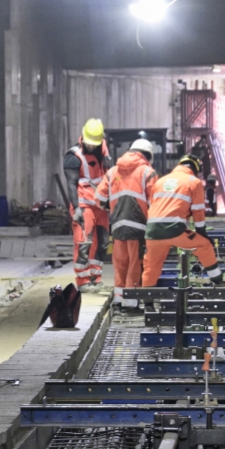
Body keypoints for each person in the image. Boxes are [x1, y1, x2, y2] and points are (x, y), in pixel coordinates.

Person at [142, 154, 225, 287]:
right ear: (195, 169)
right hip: (175, 229)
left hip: (152, 232)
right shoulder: (193, 182)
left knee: (151, 268)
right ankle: (217, 280)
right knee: (204, 245)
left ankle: (147, 302)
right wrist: (202, 233)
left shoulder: (160, 181)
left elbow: (152, 206)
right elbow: (198, 212)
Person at [96, 138, 157, 307]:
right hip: (139, 226)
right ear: (148, 155)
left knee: (120, 262)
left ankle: (118, 297)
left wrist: (115, 208)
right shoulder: (147, 172)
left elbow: (99, 199)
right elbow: (156, 202)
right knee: (135, 263)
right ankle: (131, 301)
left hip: (117, 226)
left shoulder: (112, 171)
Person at [63, 118, 110, 290]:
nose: (91, 147)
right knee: (84, 243)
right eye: (89, 144)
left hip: (101, 206)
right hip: (83, 206)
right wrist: (75, 208)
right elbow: (71, 184)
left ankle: (95, 278)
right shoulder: (73, 156)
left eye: (94, 144)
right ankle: (82, 281)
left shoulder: (104, 150)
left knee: (102, 243)